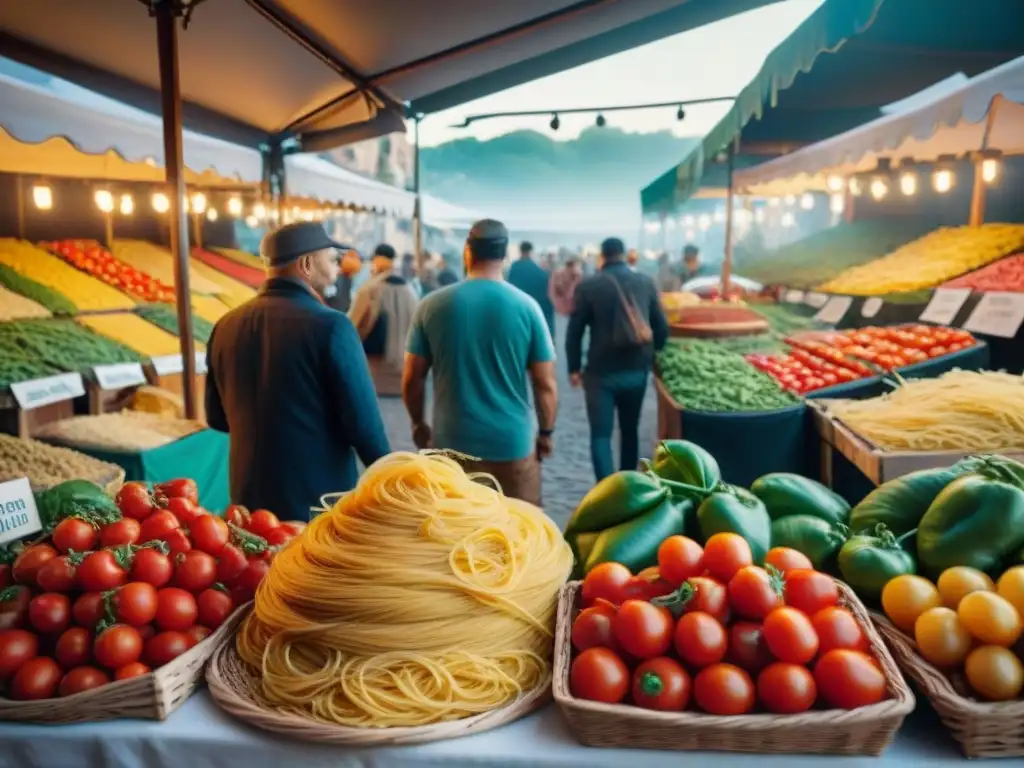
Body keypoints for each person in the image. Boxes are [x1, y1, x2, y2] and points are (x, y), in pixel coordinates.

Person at [205, 221, 390, 521]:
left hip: (247, 504)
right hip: (316, 505)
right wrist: (397, 479)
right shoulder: (331, 326)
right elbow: (364, 426)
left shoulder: (226, 325)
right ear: (305, 263)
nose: (337, 266)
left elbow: (217, 419)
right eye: (330, 258)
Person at [402, 220, 558, 506]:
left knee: (453, 534)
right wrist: (546, 433)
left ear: (467, 253)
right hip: (512, 444)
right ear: (504, 256)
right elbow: (545, 383)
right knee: (520, 535)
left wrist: (417, 424)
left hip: (451, 445)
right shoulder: (528, 308)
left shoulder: (432, 305)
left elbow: (413, 377)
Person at [566, 237, 669, 482]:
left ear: (603, 256)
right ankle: (627, 485)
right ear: (624, 255)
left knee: (600, 434)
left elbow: (575, 332)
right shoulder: (645, 282)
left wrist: (573, 368)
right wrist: (653, 355)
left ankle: (606, 488)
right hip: (636, 370)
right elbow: (661, 327)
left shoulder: (589, 286)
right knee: (630, 430)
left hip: (600, 373)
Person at [349, 244, 419, 397]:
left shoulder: (370, 289)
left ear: (374, 260)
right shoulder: (410, 290)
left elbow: (352, 328)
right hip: (405, 378)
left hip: (374, 376)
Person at [507, 240, 556, 339]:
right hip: (537, 310)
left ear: (520, 251)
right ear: (531, 251)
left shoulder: (514, 269)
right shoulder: (541, 273)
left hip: (518, 312)